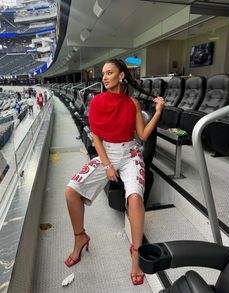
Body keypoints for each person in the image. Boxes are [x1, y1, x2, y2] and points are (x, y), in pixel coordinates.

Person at [65, 59, 165, 286]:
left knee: (135, 198)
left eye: (109, 73)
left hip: (130, 154)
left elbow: (143, 134)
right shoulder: (98, 102)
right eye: (103, 74)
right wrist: (108, 165)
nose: (104, 77)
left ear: (121, 76)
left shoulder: (133, 104)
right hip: (105, 153)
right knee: (71, 191)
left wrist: (158, 112)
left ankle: (136, 254)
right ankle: (80, 238)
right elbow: (96, 137)